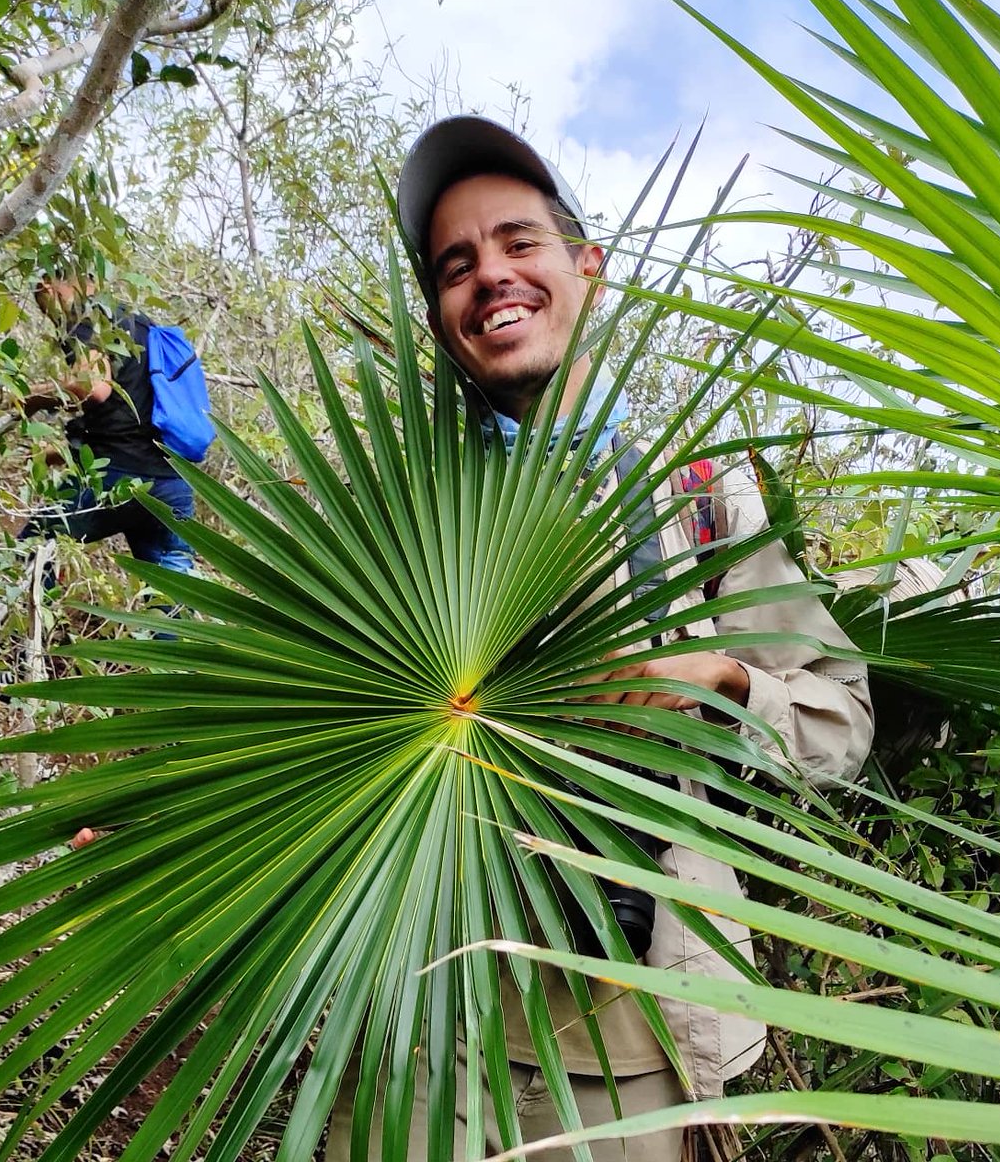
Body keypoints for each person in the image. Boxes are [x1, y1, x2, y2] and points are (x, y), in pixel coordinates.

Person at [325, 117, 875, 1161]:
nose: (490, 275)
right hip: (401, 1037)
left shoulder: (700, 502)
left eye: (518, 243)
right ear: (440, 316)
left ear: (590, 270)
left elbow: (839, 727)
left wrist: (720, 678)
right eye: (456, 265)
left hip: (623, 1052)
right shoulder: (388, 518)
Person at [18, 275, 196, 578]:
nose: (46, 312)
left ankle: (37, 624)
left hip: (118, 476)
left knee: (33, 549)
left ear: (50, 285)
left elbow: (94, 388)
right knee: (172, 589)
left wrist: (29, 398)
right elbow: (126, 418)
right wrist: (55, 453)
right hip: (173, 482)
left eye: (41, 300)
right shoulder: (143, 325)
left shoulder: (87, 319)